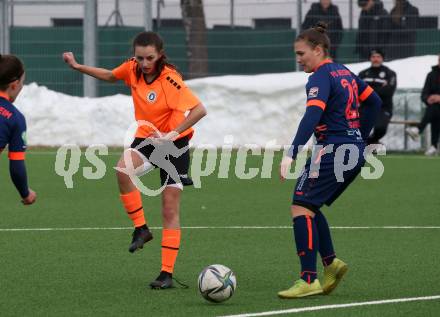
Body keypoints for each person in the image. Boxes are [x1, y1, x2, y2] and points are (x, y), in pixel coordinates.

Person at [63, 31, 207, 289]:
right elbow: (109, 75)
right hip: (147, 139)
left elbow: (199, 109)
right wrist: (77, 66)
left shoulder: (170, 79)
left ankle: (166, 274)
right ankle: (141, 229)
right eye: (140, 58)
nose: (144, 63)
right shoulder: (132, 68)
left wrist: (173, 134)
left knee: (169, 208)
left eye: (150, 58)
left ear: (160, 55)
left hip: (175, 145)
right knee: (122, 169)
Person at [278, 22, 381, 298]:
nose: (298, 59)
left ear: (319, 50)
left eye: (301, 54)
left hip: (333, 151)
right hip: (353, 151)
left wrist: (291, 152)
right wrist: (359, 135)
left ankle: (308, 279)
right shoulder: (345, 72)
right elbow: (375, 102)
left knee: (300, 206)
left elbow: (312, 116)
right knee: (309, 205)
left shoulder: (321, 76)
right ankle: (331, 263)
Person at [0, 54, 37, 205]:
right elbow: (16, 166)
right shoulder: (15, 118)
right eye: (23, 83)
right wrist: (26, 193)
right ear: (14, 85)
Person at [358, 49, 397, 145]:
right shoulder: (363, 74)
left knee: (381, 128)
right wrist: (379, 88)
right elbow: (357, 91)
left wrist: (368, 90)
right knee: (357, 129)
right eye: (373, 57)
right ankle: (362, 145)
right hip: (365, 107)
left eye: (378, 57)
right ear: (370, 58)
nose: (376, 59)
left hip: (383, 107)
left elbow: (388, 91)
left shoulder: (390, 73)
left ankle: (369, 142)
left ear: (382, 58)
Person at [406, 53, 440, 155]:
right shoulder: (431, 75)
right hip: (435, 108)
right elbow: (424, 94)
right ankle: (433, 146)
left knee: (434, 109)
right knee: (435, 108)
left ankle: (418, 129)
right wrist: (428, 99)